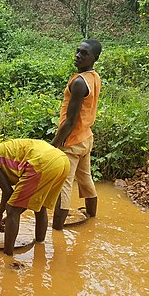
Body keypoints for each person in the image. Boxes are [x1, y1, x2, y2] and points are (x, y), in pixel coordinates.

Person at [0, 139, 69, 256]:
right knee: (39, 206)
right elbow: (8, 192)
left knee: (12, 209)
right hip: (62, 161)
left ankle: (7, 256)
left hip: (42, 161)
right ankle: (40, 245)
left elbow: (8, 193)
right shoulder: (4, 162)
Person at [50, 39, 102, 230]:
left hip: (71, 142)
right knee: (85, 178)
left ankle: (56, 229)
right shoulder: (93, 77)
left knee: (63, 186)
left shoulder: (79, 83)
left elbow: (70, 121)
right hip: (86, 137)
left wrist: (53, 145)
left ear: (94, 58)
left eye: (84, 53)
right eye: (77, 51)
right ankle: (91, 216)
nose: (78, 56)